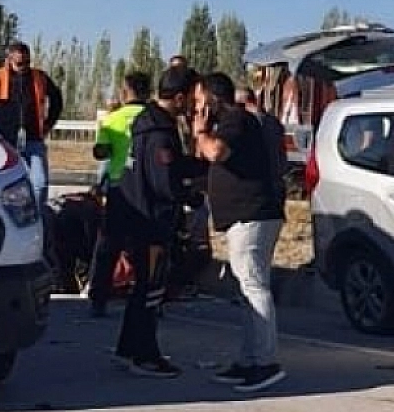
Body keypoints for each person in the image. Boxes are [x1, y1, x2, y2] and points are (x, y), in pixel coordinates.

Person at [193, 71, 287, 393]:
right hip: (243, 218)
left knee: (253, 286)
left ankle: (266, 361)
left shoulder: (236, 120)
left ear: (211, 97)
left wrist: (201, 131)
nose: (196, 106)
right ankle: (248, 359)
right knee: (244, 289)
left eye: (199, 99)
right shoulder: (232, 123)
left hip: (252, 216)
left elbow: (216, 152)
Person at [111, 66, 203, 377]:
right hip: (152, 222)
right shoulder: (161, 133)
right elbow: (165, 181)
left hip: (135, 216)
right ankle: (145, 355)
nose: (196, 104)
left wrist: (197, 166)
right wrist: (192, 195)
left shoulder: (142, 123)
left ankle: (127, 348)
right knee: (150, 290)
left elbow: (170, 167)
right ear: (179, 98)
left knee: (142, 288)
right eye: (193, 97)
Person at [86, 72, 150, 318]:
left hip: (119, 186)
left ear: (125, 92)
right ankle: (147, 295)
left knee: (109, 245)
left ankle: (98, 298)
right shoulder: (154, 118)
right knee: (144, 244)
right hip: (147, 189)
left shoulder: (113, 120)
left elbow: (100, 153)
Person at [0, 42, 64, 207]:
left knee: (40, 183)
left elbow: (56, 99)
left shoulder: (39, 77)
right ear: (8, 60)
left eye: (27, 62)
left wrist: (49, 123)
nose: (24, 67)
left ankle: (37, 217)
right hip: (5, 142)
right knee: (5, 186)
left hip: (34, 138)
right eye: (20, 63)